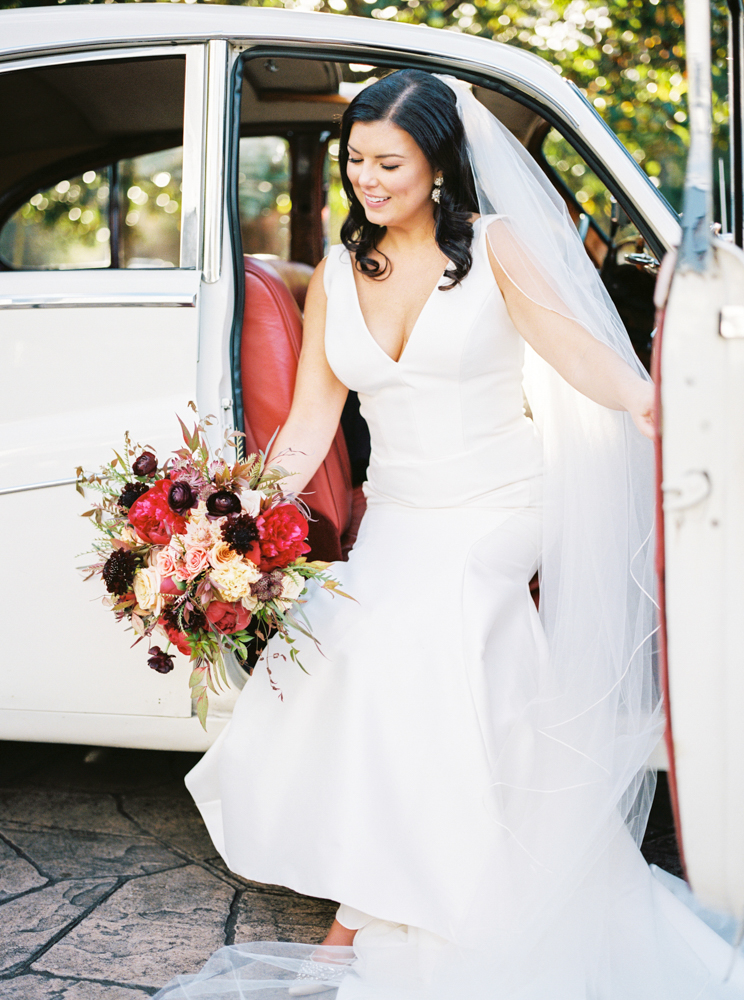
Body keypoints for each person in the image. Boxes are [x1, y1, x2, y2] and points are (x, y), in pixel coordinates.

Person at [154, 71, 743, 999]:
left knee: (426, 624)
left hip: (501, 505)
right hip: (402, 513)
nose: (368, 180)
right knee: (350, 638)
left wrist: (644, 398)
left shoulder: (498, 246)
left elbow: (573, 346)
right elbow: (312, 422)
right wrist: (221, 517)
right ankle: (415, 870)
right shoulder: (339, 272)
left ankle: (363, 912)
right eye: (356, 161)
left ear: (438, 165)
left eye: (390, 162)